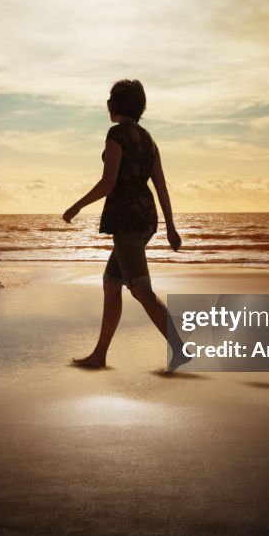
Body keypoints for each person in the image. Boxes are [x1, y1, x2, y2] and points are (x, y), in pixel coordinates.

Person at [62, 79, 183, 369]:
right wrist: (170, 227)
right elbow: (161, 185)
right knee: (111, 284)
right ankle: (100, 355)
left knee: (141, 290)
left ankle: (181, 348)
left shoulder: (116, 134)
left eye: (109, 99)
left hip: (126, 220)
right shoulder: (147, 138)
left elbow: (108, 182)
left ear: (115, 104)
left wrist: (76, 206)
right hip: (145, 218)